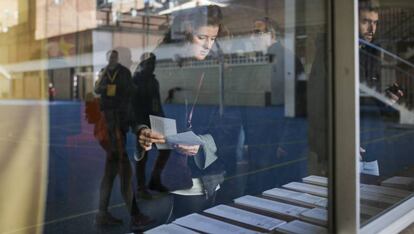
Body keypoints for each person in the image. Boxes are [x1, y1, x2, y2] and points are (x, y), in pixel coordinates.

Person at [130, 5, 226, 226]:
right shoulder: (150, 68)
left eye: (213, 39)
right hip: (156, 172)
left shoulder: (217, 69)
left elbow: (230, 125)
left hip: (198, 178)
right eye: (201, 37)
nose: (207, 45)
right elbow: (130, 114)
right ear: (186, 31)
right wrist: (140, 131)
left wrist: (202, 143)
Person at [93, 50, 151, 226]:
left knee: (110, 173)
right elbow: (98, 89)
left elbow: (126, 93)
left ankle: (102, 214)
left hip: (114, 127)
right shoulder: (110, 72)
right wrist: (111, 89)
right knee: (125, 172)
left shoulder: (119, 72)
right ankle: (135, 216)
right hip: (113, 127)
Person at [358, 0, 404, 177]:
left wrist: (387, 100)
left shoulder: (371, 52)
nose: (372, 28)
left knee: (371, 199)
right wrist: (345, 141)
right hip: (349, 148)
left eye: (375, 22)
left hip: (371, 146)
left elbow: (368, 99)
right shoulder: (336, 52)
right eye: (366, 21)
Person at [130, 52, 171, 198]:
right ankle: (141, 188)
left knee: (166, 149)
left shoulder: (154, 82)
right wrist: (137, 126)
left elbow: (157, 103)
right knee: (143, 155)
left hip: (157, 121)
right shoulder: (135, 81)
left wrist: (163, 119)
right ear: (141, 65)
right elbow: (131, 105)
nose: (151, 66)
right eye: (148, 63)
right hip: (143, 123)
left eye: (153, 64)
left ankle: (155, 179)